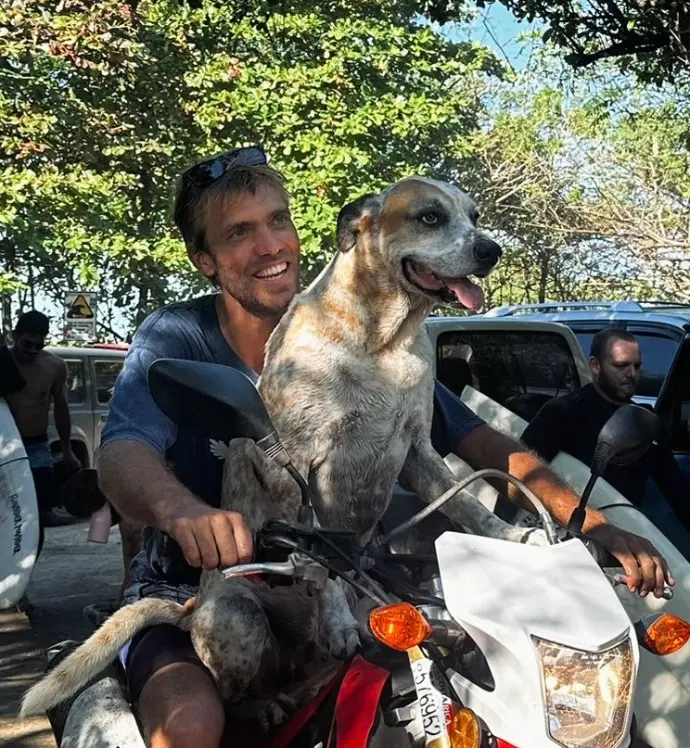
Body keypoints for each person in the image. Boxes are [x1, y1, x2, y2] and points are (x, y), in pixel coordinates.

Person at [98, 146, 672, 748]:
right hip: (193, 588)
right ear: (206, 261)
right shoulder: (178, 334)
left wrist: (592, 524)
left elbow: (480, 444)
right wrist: (182, 511)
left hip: (352, 581)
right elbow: (122, 453)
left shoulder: (388, 345)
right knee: (190, 725)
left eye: (278, 221)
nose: (270, 246)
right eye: (239, 233)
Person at [522, 326, 690, 552]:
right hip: (570, 538)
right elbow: (524, 474)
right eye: (621, 366)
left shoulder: (646, 422)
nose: (631, 374)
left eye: (637, 366)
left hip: (625, 538)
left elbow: (677, 493)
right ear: (595, 366)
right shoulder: (563, 413)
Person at [1, 311, 81, 556]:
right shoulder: (2, 361)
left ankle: (27, 565)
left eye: (39, 345)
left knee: (37, 513)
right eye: (27, 344)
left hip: (36, 445)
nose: (33, 351)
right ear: (15, 336)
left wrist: (67, 450)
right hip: (4, 445)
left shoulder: (54, 366)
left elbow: (61, 407)